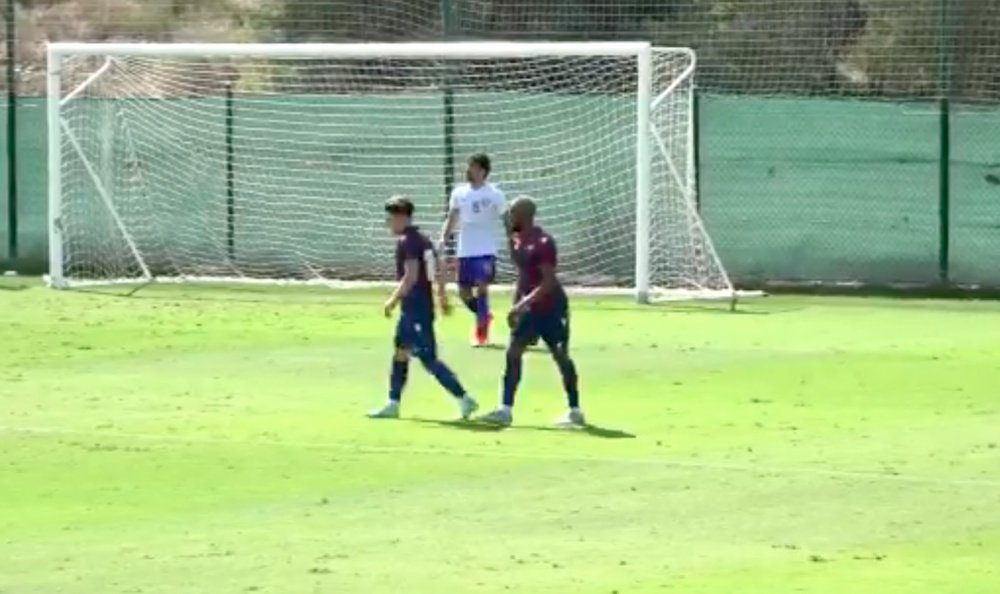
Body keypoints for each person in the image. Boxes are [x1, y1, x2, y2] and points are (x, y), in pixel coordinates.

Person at [368, 196, 479, 420]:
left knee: (428, 359)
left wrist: (392, 300)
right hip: (416, 307)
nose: (388, 223)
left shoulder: (408, 242)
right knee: (400, 352)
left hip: (416, 308)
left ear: (401, 217)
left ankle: (464, 398)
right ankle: (393, 402)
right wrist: (441, 295)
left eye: (390, 219)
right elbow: (438, 271)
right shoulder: (423, 240)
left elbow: (410, 276)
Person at [478, 196, 584, 427]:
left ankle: (575, 410)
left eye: (513, 214)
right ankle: (505, 410)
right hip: (530, 310)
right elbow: (522, 265)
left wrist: (519, 304)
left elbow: (547, 282)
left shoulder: (544, 242)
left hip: (551, 309)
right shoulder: (520, 241)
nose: (510, 218)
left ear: (525, 216)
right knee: (513, 353)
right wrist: (508, 235)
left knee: (560, 356)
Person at [439, 153, 506, 346]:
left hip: (486, 250)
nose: (468, 170)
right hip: (465, 249)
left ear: (483, 171)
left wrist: (513, 238)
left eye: (473, 167)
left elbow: (506, 218)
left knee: (482, 288)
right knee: (464, 293)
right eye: (468, 166)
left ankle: (481, 333)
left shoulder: (494, 194)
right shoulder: (459, 193)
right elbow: (451, 218)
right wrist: (444, 238)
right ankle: (484, 315)